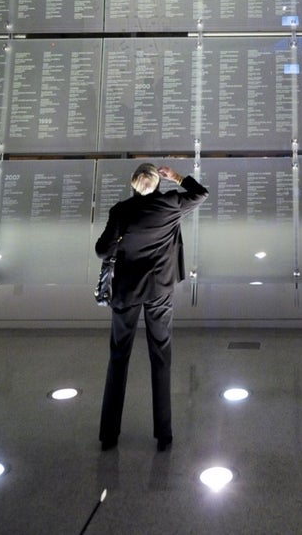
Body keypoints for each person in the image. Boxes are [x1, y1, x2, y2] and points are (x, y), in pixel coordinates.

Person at [95, 161, 208, 452]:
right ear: (159, 182)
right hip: (159, 290)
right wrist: (177, 176)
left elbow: (101, 250)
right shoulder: (170, 205)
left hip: (126, 292)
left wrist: (121, 242)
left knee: (118, 358)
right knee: (161, 358)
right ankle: (164, 434)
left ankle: (109, 434)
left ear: (133, 184)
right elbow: (200, 193)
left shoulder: (121, 211)